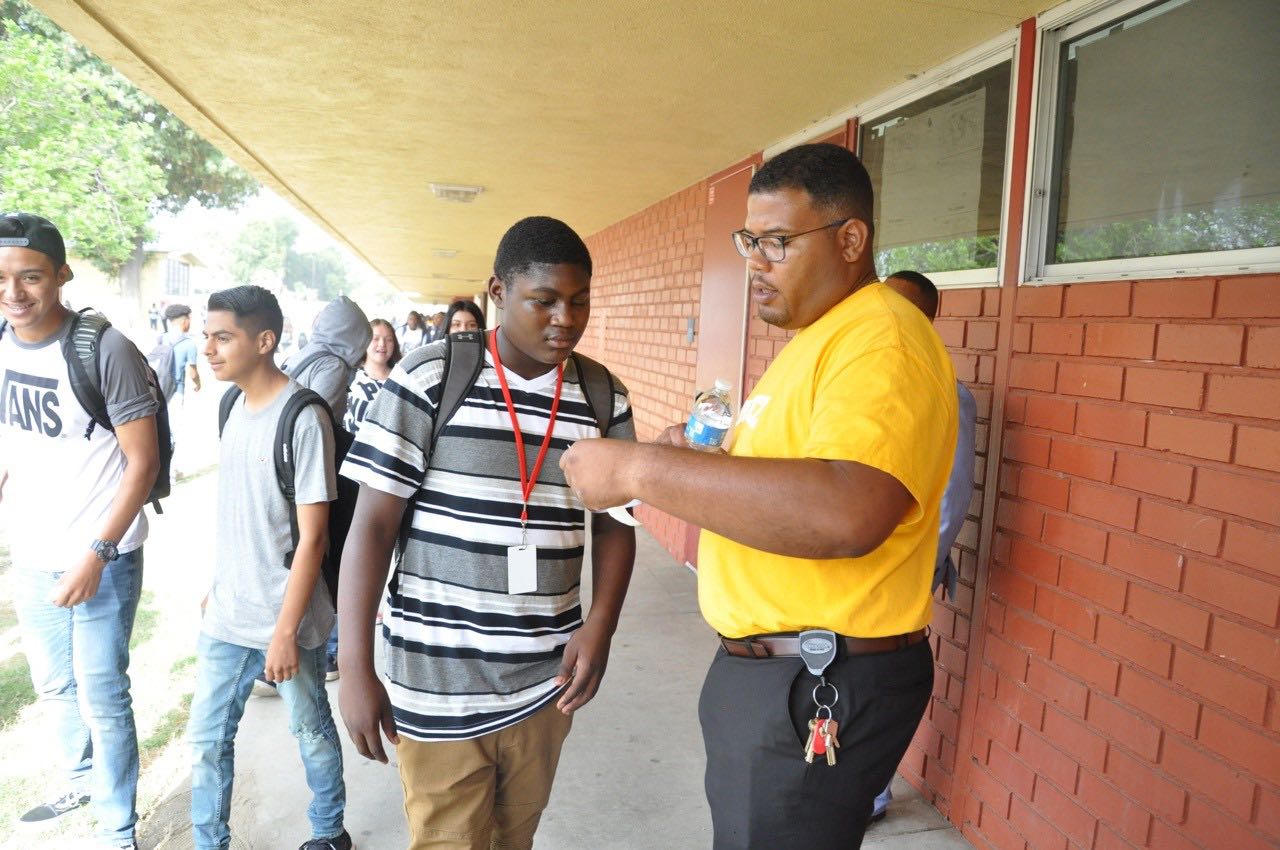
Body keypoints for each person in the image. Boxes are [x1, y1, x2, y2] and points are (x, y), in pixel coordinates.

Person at [559, 144, 958, 849]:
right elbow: (792, 485)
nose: (755, 262)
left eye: (778, 242)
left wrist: (641, 471)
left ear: (851, 239)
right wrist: (701, 464)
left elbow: (847, 509)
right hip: (779, 674)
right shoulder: (818, 340)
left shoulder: (882, 339)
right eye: (750, 241)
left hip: (816, 680)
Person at [337, 216, 638, 850]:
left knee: (513, 840)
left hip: (545, 681)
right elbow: (371, 526)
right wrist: (357, 666)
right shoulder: (428, 378)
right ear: (497, 292)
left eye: (579, 301)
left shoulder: (602, 396)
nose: (566, 318)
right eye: (545, 300)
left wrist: (601, 626)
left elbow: (615, 525)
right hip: (436, 681)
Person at [0, 213, 161, 850]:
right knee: (53, 685)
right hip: (32, 552)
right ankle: (80, 776)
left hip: (104, 555)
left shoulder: (104, 349)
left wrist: (97, 553)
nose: (14, 292)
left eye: (30, 277)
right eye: (2, 278)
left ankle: (117, 830)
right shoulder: (0, 342)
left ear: (61, 275)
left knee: (102, 692)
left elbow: (142, 463)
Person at [187, 285, 350, 850]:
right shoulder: (230, 405)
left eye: (222, 336)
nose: (208, 348)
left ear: (264, 340)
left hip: (288, 619)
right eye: (206, 335)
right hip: (227, 613)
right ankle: (211, 843)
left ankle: (330, 832)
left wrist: (285, 633)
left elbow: (312, 539)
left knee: (310, 730)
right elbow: (240, 512)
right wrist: (217, 584)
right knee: (206, 740)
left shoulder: (304, 418)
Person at [869, 270, 977, 824]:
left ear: (927, 320)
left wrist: (921, 566)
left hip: (901, 569)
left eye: (903, 308)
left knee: (879, 681)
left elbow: (951, 499)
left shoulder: (947, 393)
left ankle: (873, 794)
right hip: (858, 566)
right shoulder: (877, 381)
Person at [161, 303, 202, 479]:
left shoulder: (160, 339)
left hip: (157, 391)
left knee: (161, 430)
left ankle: (167, 470)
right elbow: (192, 372)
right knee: (173, 431)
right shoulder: (188, 344)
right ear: (185, 321)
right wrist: (198, 383)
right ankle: (171, 473)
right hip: (176, 392)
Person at [343, 318, 400, 434]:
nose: (382, 344)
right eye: (376, 339)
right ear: (365, 341)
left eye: (389, 340)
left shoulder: (401, 379)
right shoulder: (348, 376)